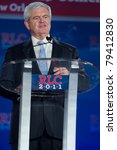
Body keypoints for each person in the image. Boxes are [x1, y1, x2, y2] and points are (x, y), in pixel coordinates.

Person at [0, 2, 89, 150]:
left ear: (50, 20)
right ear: (27, 24)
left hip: (59, 128)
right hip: (25, 127)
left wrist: (71, 75)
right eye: (36, 18)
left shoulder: (69, 51)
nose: (42, 21)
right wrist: (19, 89)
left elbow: (84, 81)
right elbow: (3, 85)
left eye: (45, 17)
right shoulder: (14, 52)